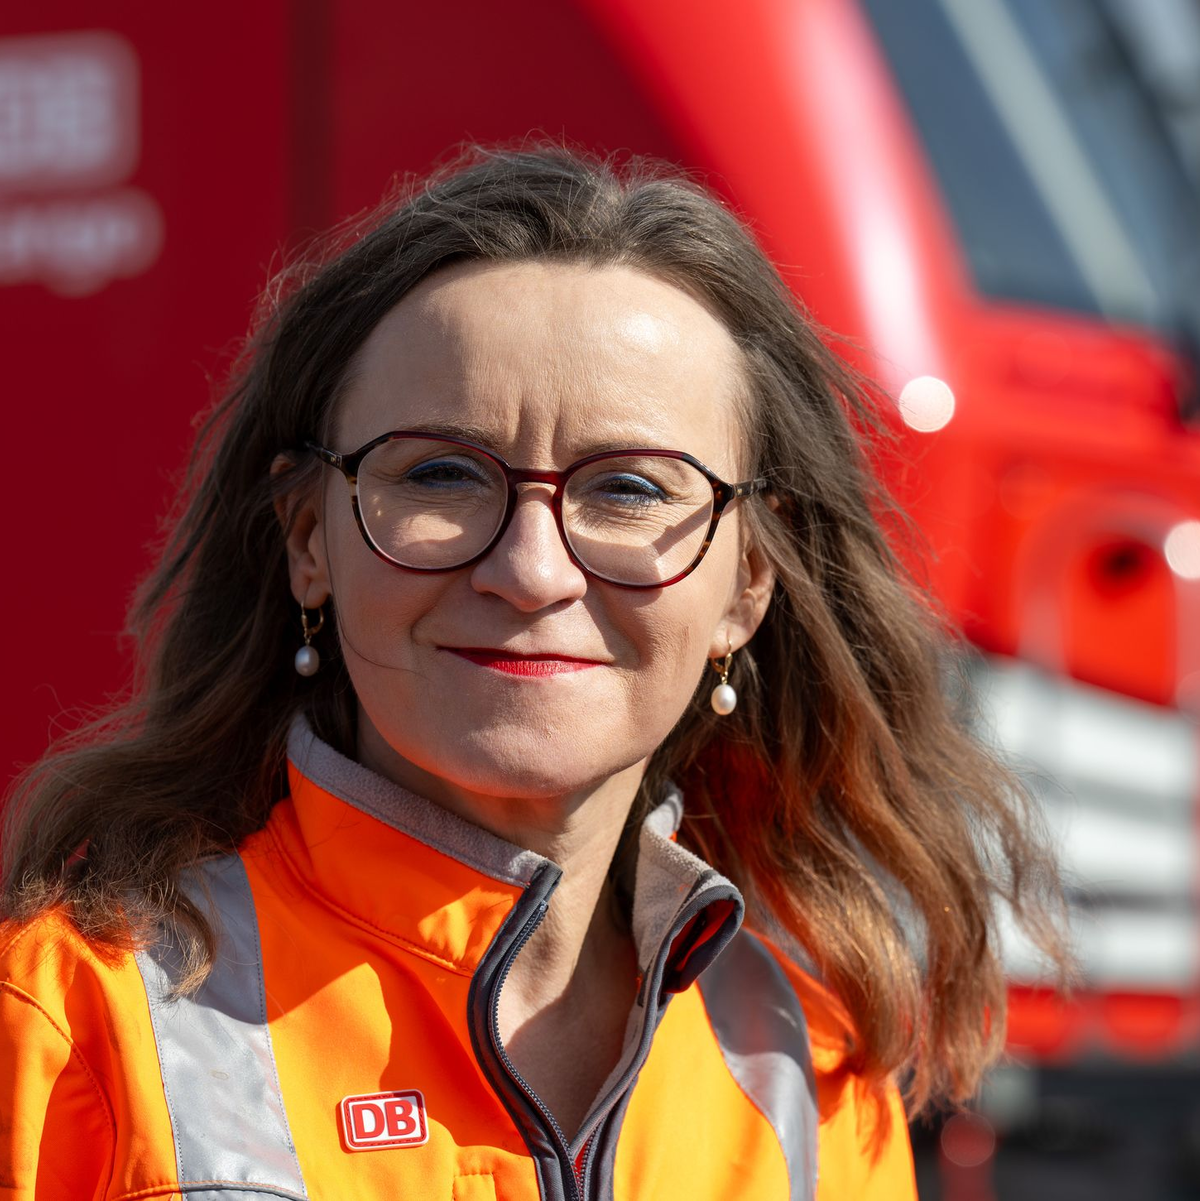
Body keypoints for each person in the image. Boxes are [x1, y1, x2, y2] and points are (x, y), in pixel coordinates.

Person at [1, 144, 1066, 1200]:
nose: (528, 568)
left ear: (747, 582)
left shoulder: (811, 1075)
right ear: (307, 541)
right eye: (442, 473)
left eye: (632, 490)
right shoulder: (65, 1023)